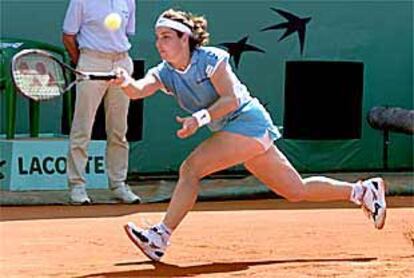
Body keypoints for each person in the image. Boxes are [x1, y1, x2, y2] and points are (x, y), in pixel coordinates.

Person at [113, 9, 387, 261]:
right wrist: (126, 82)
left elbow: (231, 100)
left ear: (185, 39)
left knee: (191, 169)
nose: (159, 43)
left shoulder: (211, 59)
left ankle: (160, 236)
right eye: (157, 37)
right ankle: (363, 191)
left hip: (248, 123)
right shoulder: (165, 72)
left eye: (166, 37)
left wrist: (198, 119)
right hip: (239, 132)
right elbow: (138, 89)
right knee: (295, 190)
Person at [62, 0, 141, 204]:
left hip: (122, 63)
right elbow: (68, 36)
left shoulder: (129, 1)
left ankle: (118, 185)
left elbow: (124, 34)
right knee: (82, 128)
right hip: (91, 62)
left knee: (118, 130)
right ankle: (77, 186)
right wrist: (82, 63)